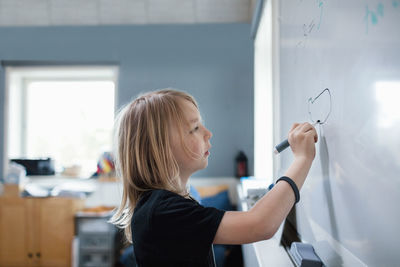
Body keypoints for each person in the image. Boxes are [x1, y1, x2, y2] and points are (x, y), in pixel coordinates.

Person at [111, 89, 318, 267]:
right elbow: (259, 225)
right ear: (160, 149)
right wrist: (302, 159)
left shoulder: (164, 205)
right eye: (194, 128)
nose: (208, 133)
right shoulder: (162, 212)